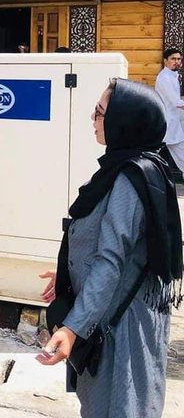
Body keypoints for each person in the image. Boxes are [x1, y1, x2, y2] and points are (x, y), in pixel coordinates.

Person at [38, 78, 183, 417]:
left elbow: (111, 260)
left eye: (100, 112)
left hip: (122, 324)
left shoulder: (131, 180)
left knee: (120, 405)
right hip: (112, 311)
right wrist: (68, 273)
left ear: (124, 121)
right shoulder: (125, 168)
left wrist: (73, 328)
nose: (93, 118)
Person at [155, 47, 184, 174]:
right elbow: (176, 102)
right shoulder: (164, 78)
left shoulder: (173, 75)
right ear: (165, 61)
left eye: (179, 59)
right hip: (169, 123)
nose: (176, 61)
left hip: (175, 122)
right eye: (173, 59)